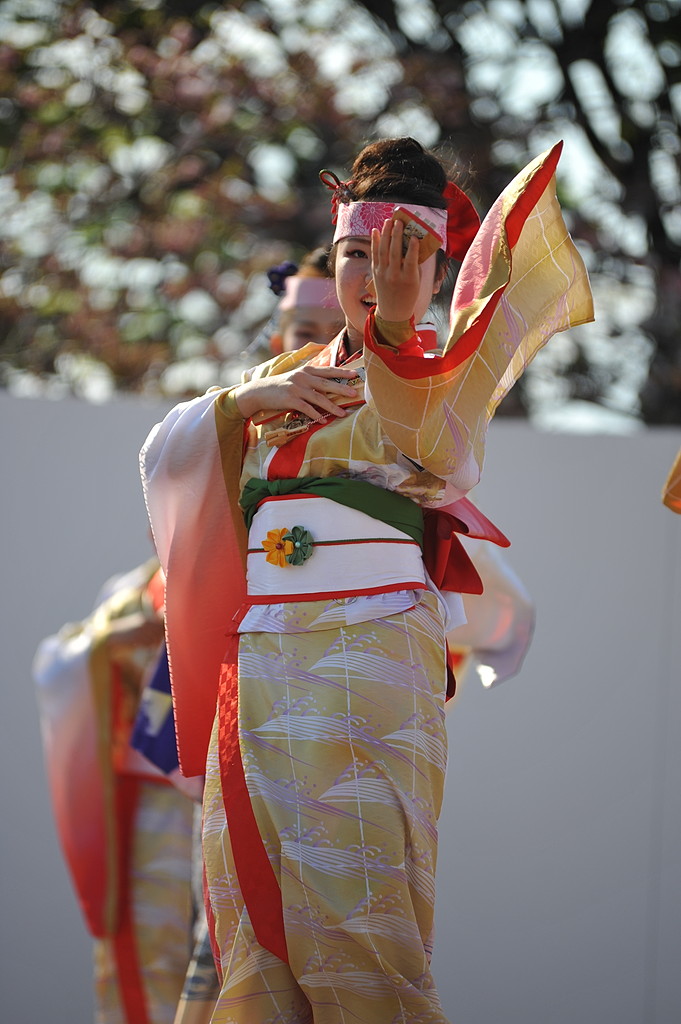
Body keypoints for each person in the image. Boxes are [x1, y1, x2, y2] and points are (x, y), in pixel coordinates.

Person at [141, 136, 594, 1023]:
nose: (372, 272)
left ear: (435, 269)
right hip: (258, 656)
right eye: (355, 252)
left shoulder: (444, 367)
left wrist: (392, 332)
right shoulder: (281, 378)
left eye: (400, 254)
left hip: (370, 646)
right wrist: (234, 407)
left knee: (360, 922)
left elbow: (441, 453)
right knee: (250, 921)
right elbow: (171, 460)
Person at [33, 559, 197, 1024]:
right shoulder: (129, 592)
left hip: (217, 794)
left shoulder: (232, 566)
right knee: (151, 946)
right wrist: (108, 643)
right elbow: (56, 663)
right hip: (148, 806)